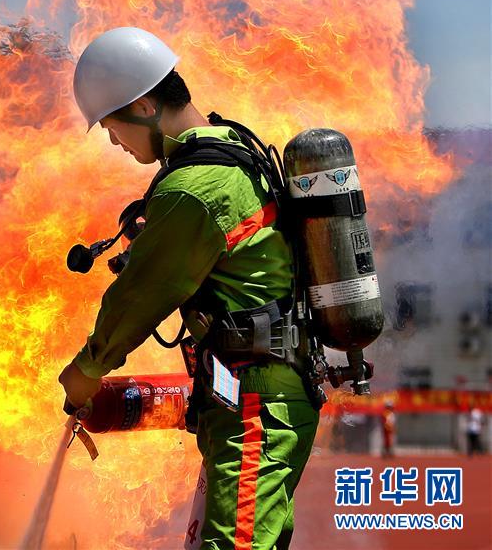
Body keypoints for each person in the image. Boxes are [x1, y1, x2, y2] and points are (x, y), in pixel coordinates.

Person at [58, 27, 319, 550]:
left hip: (254, 407)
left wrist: (87, 369)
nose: (113, 141)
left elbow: (141, 295)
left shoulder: (193, 190)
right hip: (257, 397)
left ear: (147, 105)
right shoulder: (231, 147)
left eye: (113, 126)